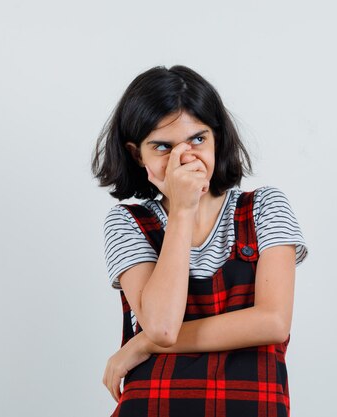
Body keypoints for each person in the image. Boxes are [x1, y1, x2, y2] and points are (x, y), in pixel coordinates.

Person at [91, 65, 308, 417]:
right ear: (137, 154)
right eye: (162, 146)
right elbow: (162, 325)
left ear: (216, 137)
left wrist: (142, 343)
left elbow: (273, 322)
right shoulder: (127, 222)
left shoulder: (265, 207)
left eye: (197, 139)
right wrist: (181, 212)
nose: (185, 158)